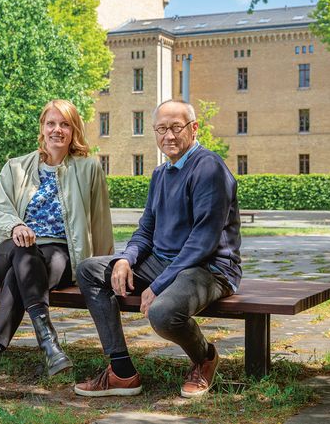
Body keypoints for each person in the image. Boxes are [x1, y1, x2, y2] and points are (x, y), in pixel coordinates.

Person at [74, 100, 241, 399]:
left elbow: (203, 242)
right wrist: (126, 258)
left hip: (210, 268)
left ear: (193, 128)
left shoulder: (209, 168)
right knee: (90, 270)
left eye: (176, 127)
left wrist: (160, 285)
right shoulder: (160, 174)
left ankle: (205, 358)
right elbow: (146, 230)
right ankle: (122, 371)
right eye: (162, 129)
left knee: (162, 313)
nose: (169, 136)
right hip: (164, 262)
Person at [0, 99, 114, 399]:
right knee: (22, 252)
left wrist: (105, 267)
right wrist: (16, 226)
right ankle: (48, 342)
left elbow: (100, 222)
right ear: (42, 129)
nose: (58, 130)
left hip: (59, 256)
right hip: (10, 248)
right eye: (51, 123)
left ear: (74, 130)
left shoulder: (89, 168)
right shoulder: (16, 167)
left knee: (22, 273)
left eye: (65, 124)